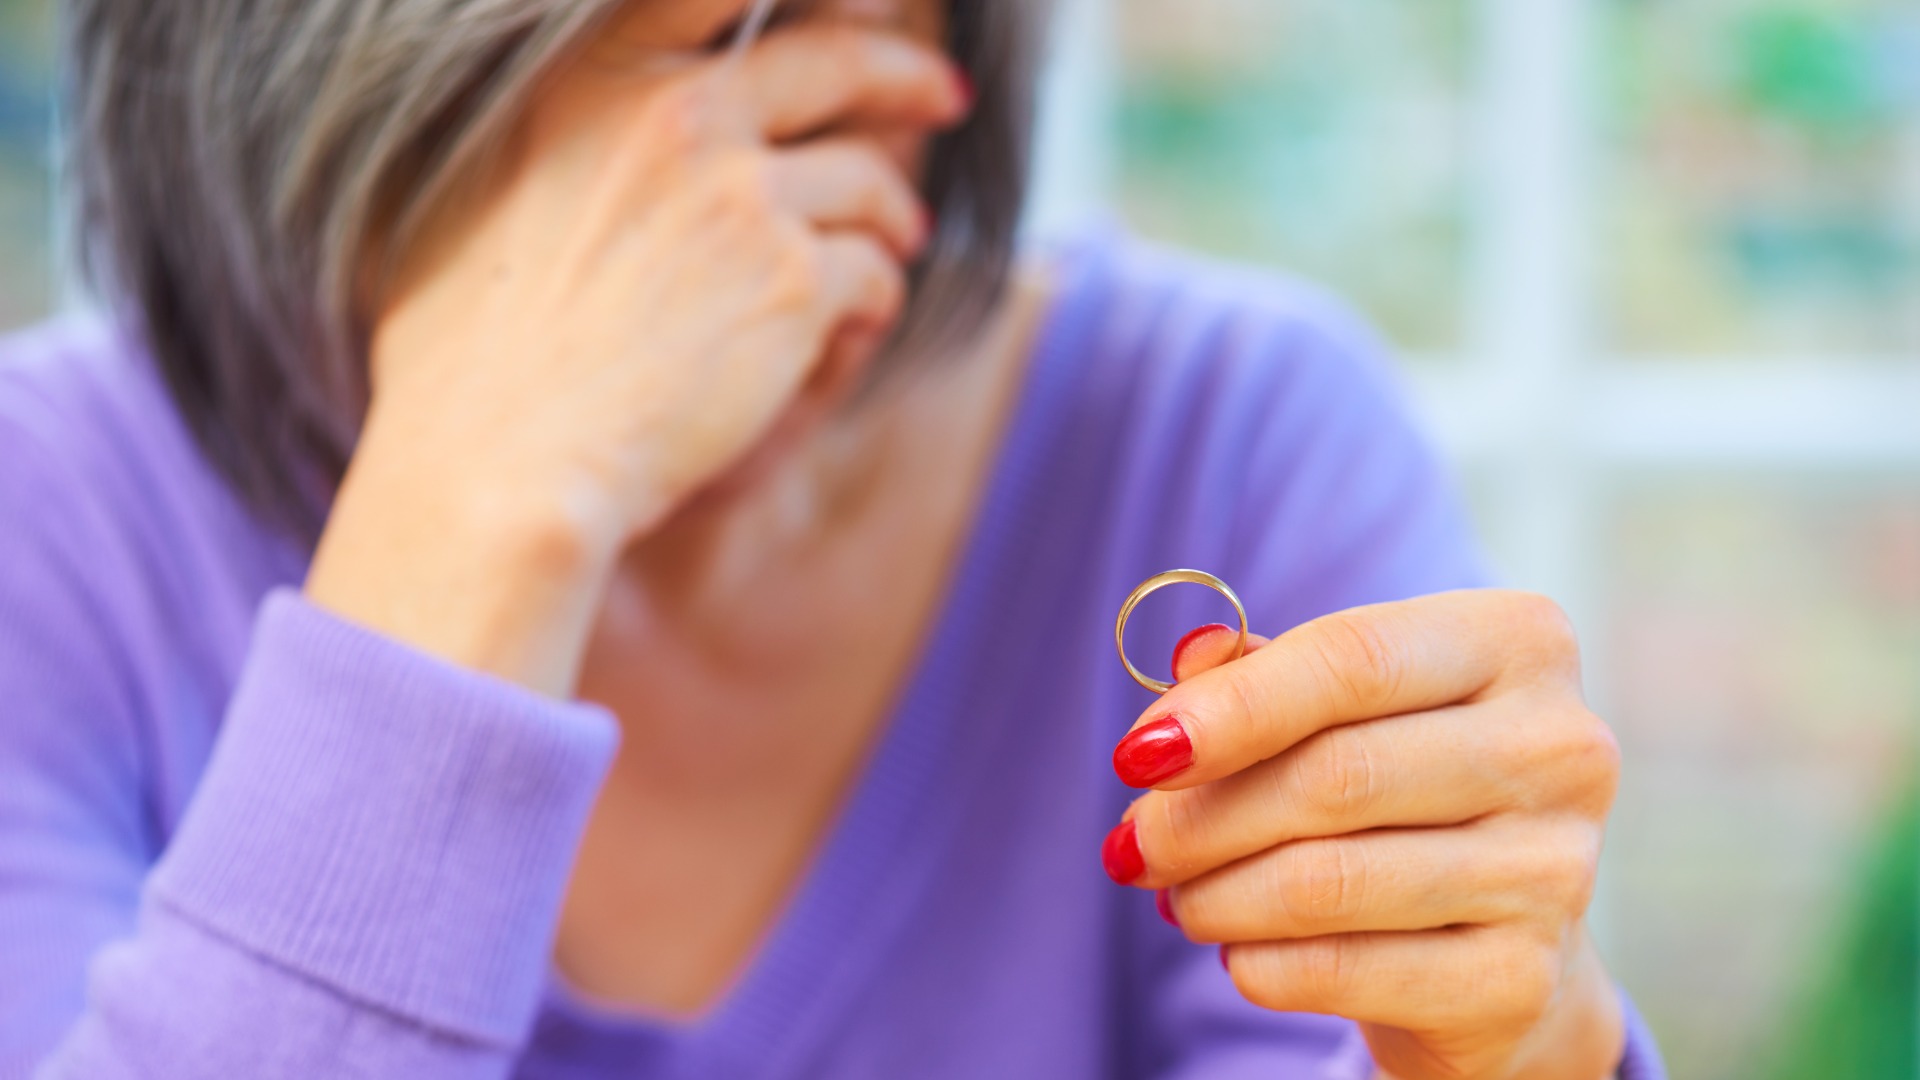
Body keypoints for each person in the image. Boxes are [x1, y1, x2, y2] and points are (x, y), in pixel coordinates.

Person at [0, 1, 1665, 1077]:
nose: (753, 235)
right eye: (698, 54)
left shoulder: (1229, 438)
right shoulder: (47, 520)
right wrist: (482, 506)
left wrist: (1518, 1047)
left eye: (809, 56)